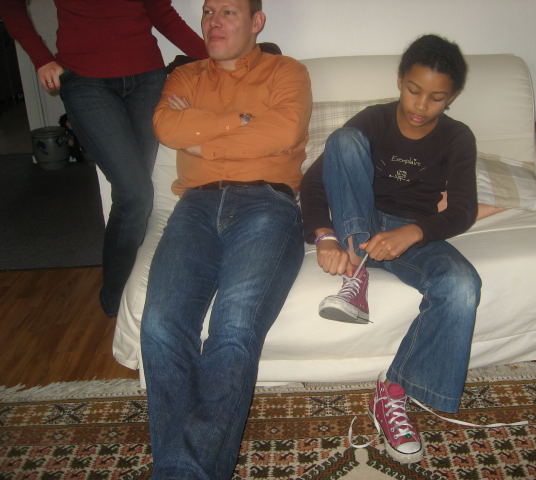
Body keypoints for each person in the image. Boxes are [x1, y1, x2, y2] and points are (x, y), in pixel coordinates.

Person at [139, 0, 311, 478]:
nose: (214, 20)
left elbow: (285, 130)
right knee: (160, 324)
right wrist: (243, 121)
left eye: (229, 12)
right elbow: (166, 126)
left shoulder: (287, 72)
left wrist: (202, 138)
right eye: (208, 10)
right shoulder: (185, 76)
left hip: (267, 206)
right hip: (195, 207)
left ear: (257, 22)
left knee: (233, 330)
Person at [300, 34, 481, 464]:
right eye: (414, 91)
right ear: (400, 80)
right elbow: (313, 182)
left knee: (462, 286)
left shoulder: (458, 137)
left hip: (408, 231)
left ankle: (393, 392)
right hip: (357, 221)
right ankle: (357, 271)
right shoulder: (373, 120)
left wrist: (414, 232)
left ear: (452, 97)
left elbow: (463, 211)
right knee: (344, 140)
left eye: (436, 98)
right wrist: (325, 235)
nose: (421, 106)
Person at [0, 0, 208, 317]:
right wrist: (42, 59)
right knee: (135, 196)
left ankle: (136, 291)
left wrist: (218, 58)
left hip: (147, 79)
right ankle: (115, 302)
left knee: (137, 197)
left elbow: (162, 13)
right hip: (86, 83)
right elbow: (10, 6)